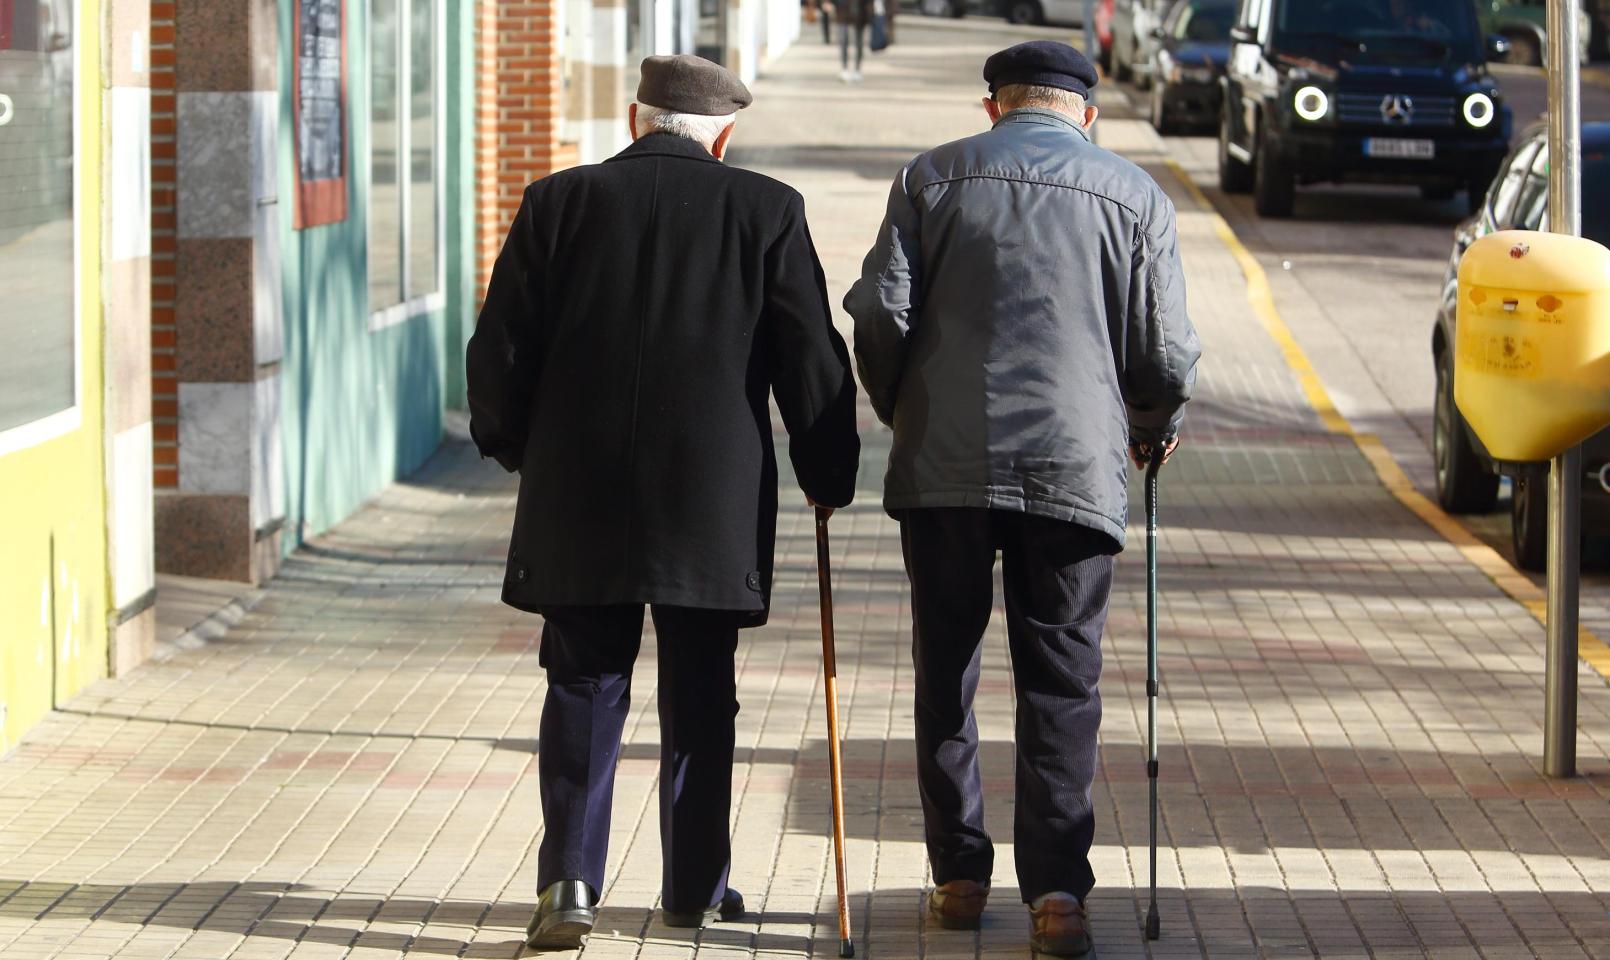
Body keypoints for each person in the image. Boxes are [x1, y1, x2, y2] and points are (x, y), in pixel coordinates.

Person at [467, 54, 861, 952]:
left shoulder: (556, 203)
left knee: (582, 679)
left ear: (636, 121)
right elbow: (812, 360)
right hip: (708, 498)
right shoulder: (766, 210)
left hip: (579, 488)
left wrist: (518, 447)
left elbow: (497, 352)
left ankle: (568, 881)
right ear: (721, 135)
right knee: (700, 686)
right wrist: (827, 473)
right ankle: (693, 885)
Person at [844, 40, 1200, 959]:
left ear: (993, 106)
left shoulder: (930, 180)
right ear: (1087, 113)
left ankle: (960, 877)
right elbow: (1163, 354)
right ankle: (1056, 899)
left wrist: (902, 407)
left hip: (945, 469)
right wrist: (1151, 424)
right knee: (1062, 683)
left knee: (945, 670)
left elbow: (880, 316)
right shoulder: (1136, 196)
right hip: (1075, 473)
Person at [832, 0, 875, 81]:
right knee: (843, 40)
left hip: (860, 11)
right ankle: (844, 69)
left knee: (859, 42)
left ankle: (857, 70)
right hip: (842, 10)